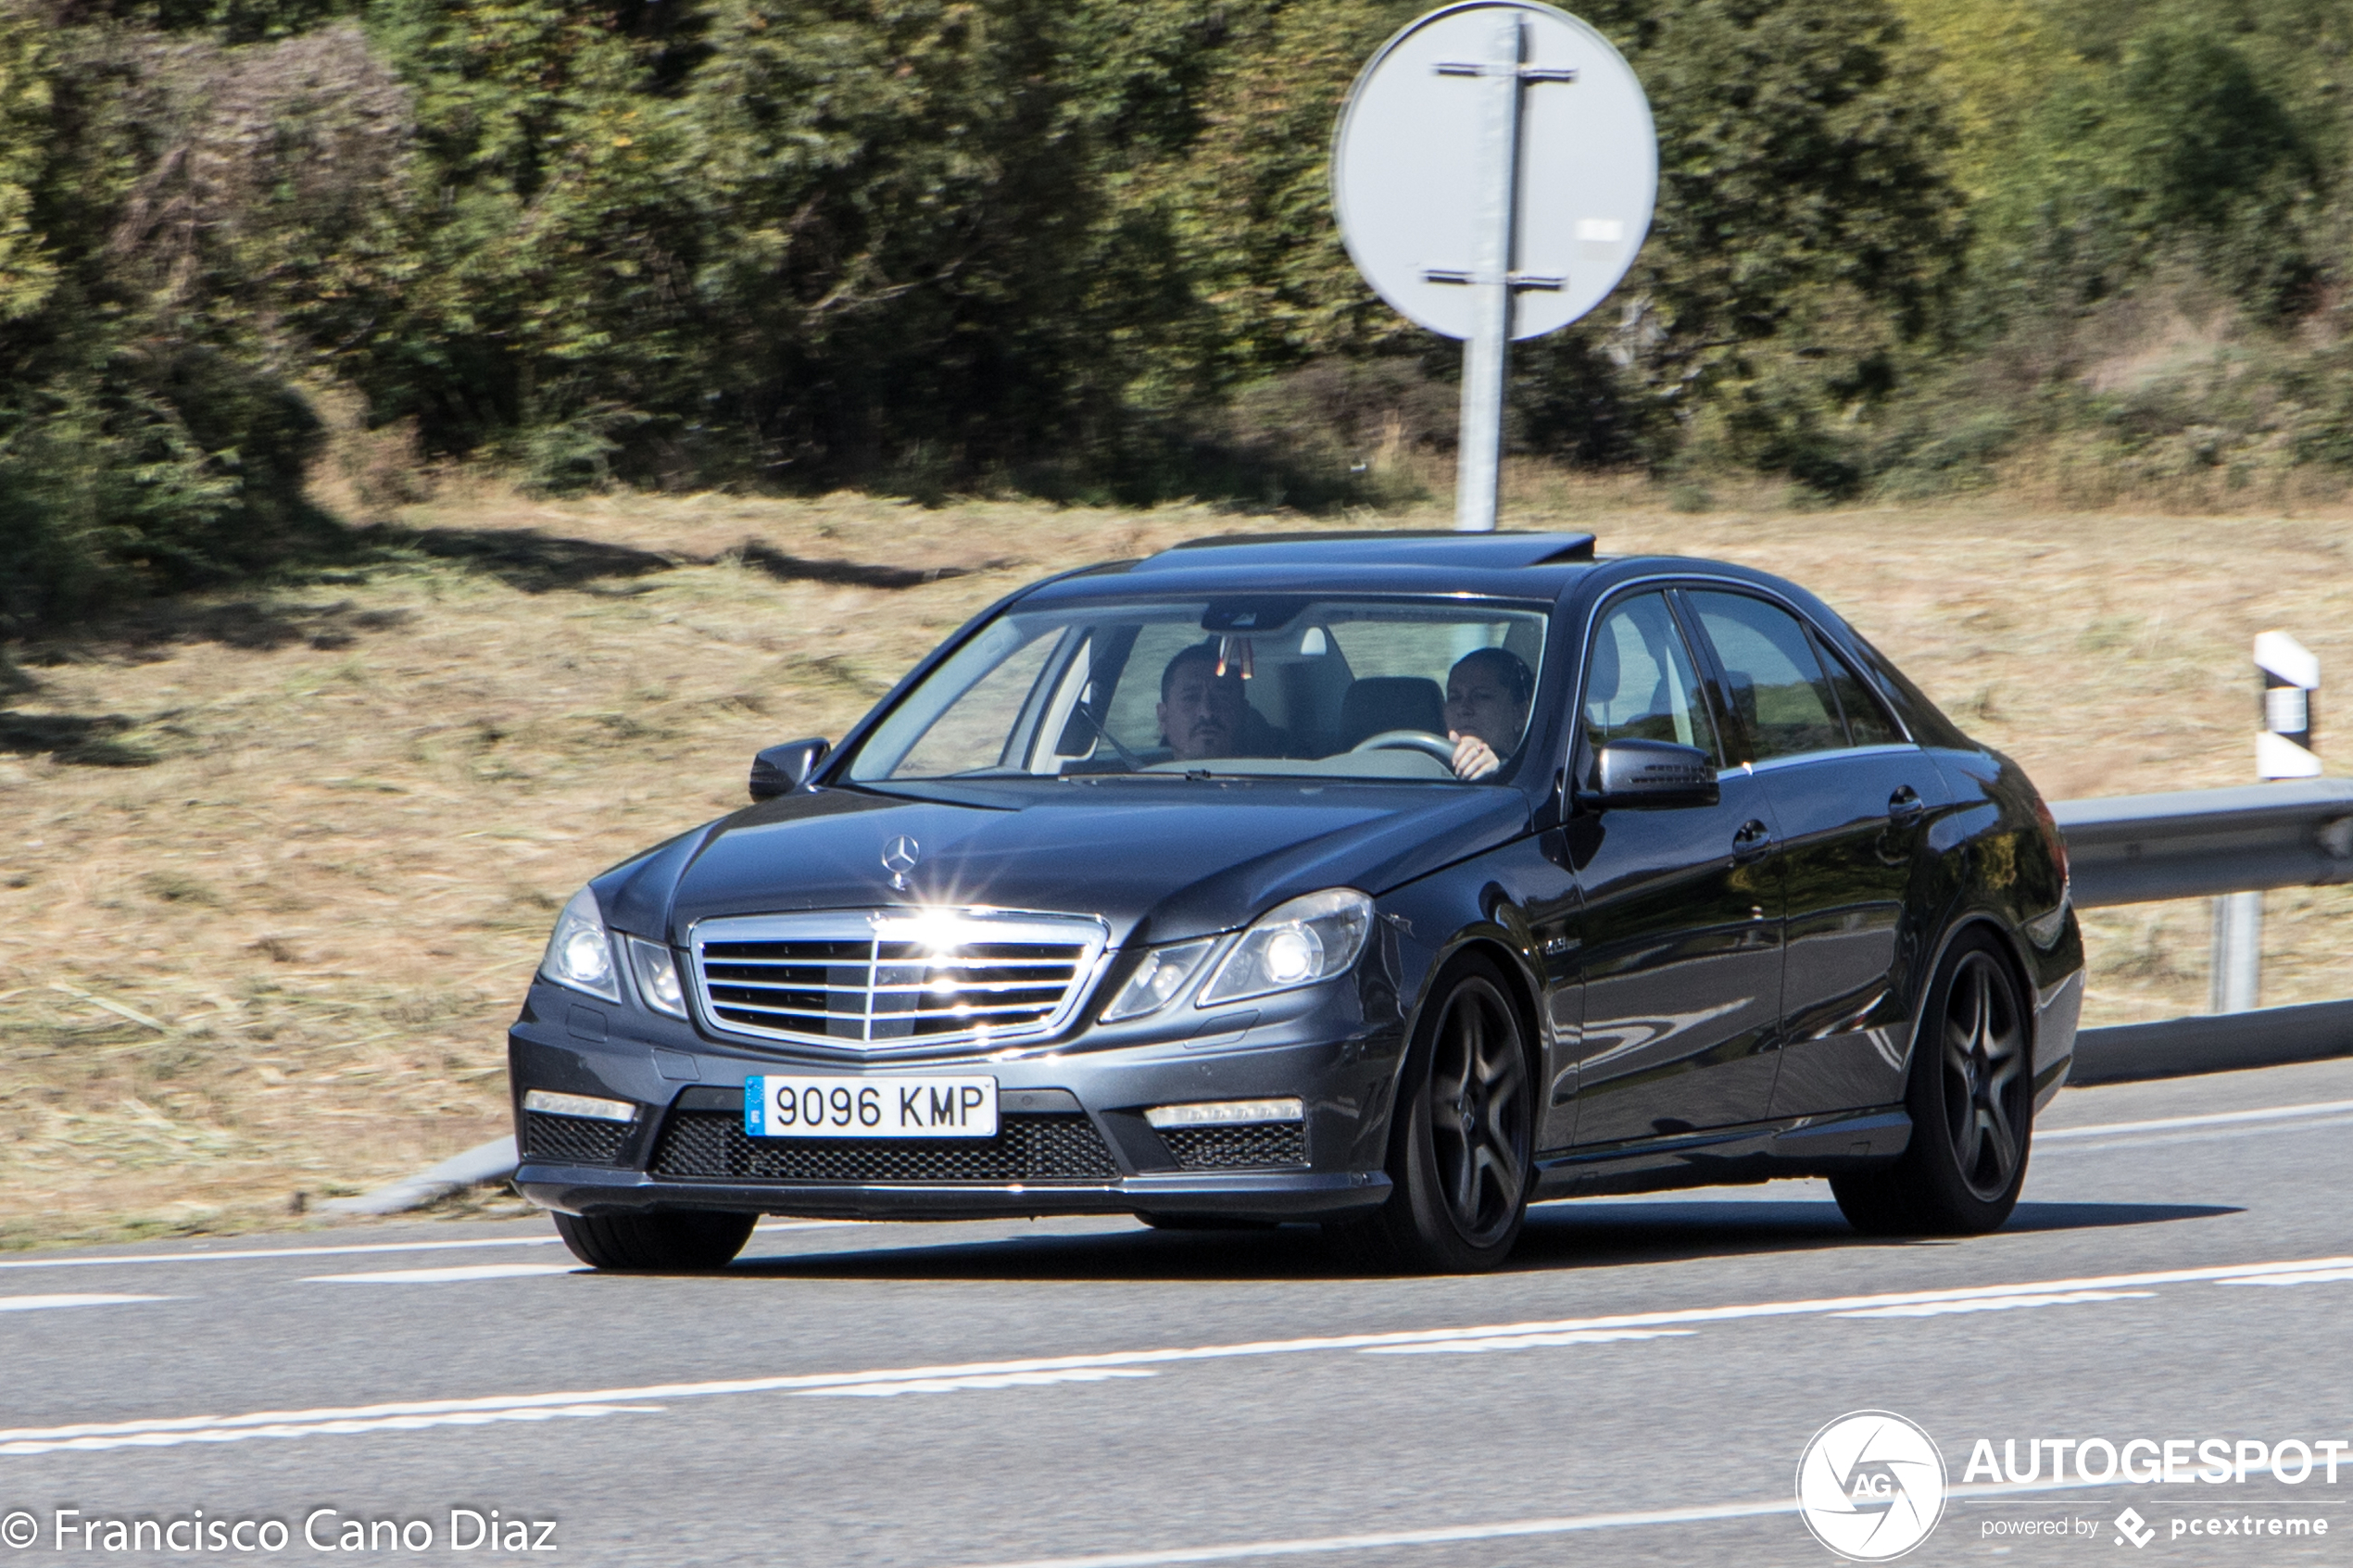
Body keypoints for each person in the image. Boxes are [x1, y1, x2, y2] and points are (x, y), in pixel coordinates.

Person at [1443, 646, 1534, 779]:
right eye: (1454, 697)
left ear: (1520, 715)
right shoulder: (1420, 768)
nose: (1464, 709)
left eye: (1480, 696)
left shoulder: (1535, 781)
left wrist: (1499, 773)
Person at [1156, 640, 1249, 761]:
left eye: (1222, 698)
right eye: (1190, 698)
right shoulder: (1130, 777)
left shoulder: (1278, 772)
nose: (1207, 713)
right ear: (1163, 717)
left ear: (1243, 713)